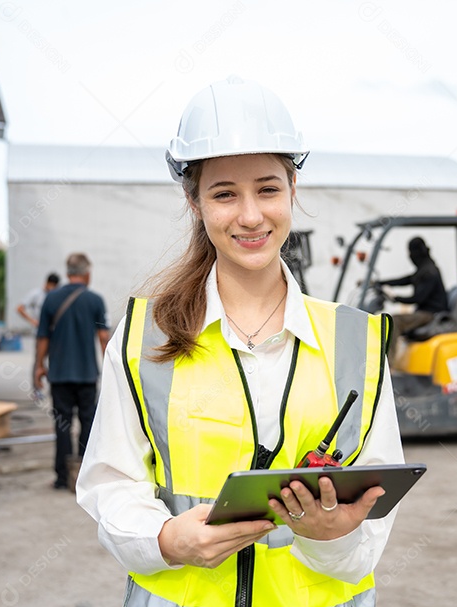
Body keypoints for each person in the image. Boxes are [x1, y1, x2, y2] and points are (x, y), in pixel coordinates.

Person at [76, 77, 405, 606]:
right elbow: (110, 484)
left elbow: (366, 546)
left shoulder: (357, 343)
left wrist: (330, 538)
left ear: (293, 191)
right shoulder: (145, 338)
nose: (250, 216)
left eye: (268, 189)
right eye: (224, 194)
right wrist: (165, 540)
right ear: (194, 202)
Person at [34, 254, 109, 490]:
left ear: (68, 273)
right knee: (88, 423)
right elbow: (103, 338)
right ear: (87, 273)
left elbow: (43, 337)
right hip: (87, 374)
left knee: (62, 426)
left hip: (59, 375)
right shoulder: (95, 300)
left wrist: (38, 366)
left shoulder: (51, 299)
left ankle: (62, 478)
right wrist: (110, 369)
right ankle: (85, 479)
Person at [377, 237, 449, 361]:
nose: (409, 256)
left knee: (394, 321)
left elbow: (418, 298)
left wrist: (396, 297)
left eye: (410, 252)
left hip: (431, 314)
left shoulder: (429, 271)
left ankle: (388, 366)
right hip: (424, 312)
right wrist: (381, 283)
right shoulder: (424, 269)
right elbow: (406, 280)